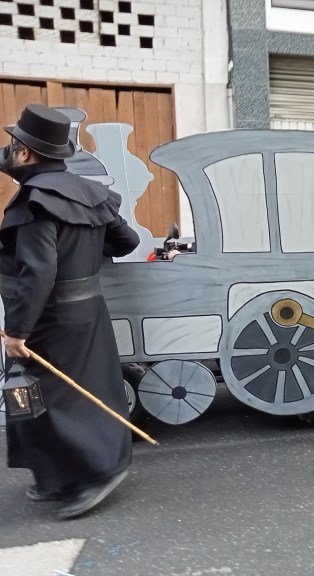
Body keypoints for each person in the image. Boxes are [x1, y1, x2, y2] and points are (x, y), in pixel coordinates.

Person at [1, 104, 140, 519]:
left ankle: (95, 474)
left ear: (25, 153)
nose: (7, 151)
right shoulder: (88, 192)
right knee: (78, 393)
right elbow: (127, 241)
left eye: (12, 144)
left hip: (51, 321)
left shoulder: (36, 200)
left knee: (55, 399)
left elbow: (39, 271)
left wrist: (16, 331)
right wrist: (85, 250)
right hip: (89, 311)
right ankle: (57, 477)